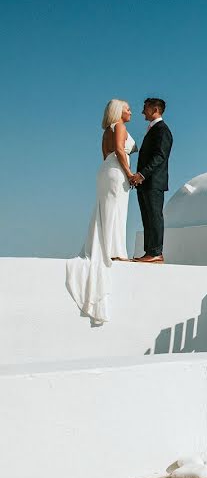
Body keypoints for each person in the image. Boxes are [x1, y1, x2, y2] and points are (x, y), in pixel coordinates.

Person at [65, 99, 137, 324]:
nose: (130, 112)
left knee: (105, 211)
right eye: (127, 109)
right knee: (116, 211)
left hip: (105, 170)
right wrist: (129, 173)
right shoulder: (120, 127)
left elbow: (106, 154)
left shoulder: (106, 130)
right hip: (116, 170)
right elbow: (119, 150)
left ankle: (108, 247)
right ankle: (114, 250)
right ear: (118, 112)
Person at [131, 97, 173, 264]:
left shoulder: (162, 130)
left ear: (155, 110)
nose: (142, 112)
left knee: (154, 216)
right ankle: (149, 252)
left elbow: (160, 156)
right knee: (146, 217)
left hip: (154, 182)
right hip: (145, 183)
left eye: (145, 109)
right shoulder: (153, 130)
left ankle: (156, 252)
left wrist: (142, 174)